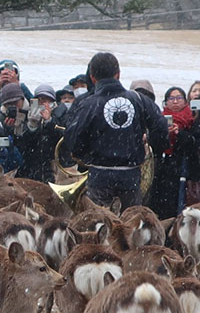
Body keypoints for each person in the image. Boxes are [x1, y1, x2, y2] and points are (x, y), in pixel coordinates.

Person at [63, 51, 162, 209]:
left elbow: (73, 142)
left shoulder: (88, 104)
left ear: (93, 77)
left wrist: (87, 156)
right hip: (131, 175)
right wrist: (151, 145)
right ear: (118, 74)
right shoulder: (139, 99)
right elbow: (161, 126)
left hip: (99, 176)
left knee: (101, 226)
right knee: (129, 225)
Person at [150, 86, 199, 217]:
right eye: (171, 98)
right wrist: (164, 134)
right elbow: (154, 143)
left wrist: (180, 134)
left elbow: (194, 143)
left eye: (179, 98)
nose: (175, 102)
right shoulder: (159, 119)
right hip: (162, 169)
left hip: (184, 171)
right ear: (166, 102)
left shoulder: (192, 119)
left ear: (185, 101)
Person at [18, 82, 65, 183]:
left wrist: (49, 122)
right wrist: (32, 125)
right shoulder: (28, 116)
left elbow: (62, 139)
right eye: (40, 100)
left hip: (53, 169)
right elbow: (24, 145)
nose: (43, 103)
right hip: (32, 170)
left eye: (47, 100)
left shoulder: (61, 115)